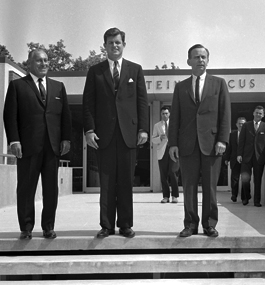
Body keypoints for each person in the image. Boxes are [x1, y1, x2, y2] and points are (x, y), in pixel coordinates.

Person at [83, 27, 148, 238]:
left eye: (118, 42)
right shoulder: (95, 71)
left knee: (126, 181)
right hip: (104, 135)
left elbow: (142, 101)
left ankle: (126, 225)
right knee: (107, 181)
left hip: (128, 134)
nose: (114, 46)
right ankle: (107, 225)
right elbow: (88, 103)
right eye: (110, 43)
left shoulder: (135, 70)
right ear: (105, 46)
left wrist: (143, 129)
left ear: (124, 45)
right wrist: (89, 130)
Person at [3, 49, 72, 240]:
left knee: (51, 190)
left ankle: (48, 227)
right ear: (29, 63)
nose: (44, 64)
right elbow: (10, 116)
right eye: (39, 61)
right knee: (26, 189)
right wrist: (14, 140)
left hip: (52, 147)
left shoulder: (58, 87)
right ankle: (26, 228)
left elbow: (65, 116)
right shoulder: (18, 86)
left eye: (46, 60)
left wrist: (66, 138)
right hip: (27, 147)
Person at [168, 44, 231, 237]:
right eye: (196, 57)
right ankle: (190, 224)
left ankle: (209, 224)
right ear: (189, 61)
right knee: (188, 186)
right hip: (187, 145)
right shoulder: (181, 87)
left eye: (203, 57)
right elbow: (175, 117)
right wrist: (173, 143)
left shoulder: (219, 84)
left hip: (212, 145)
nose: (200, 60)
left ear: (208, 60)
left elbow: (225, 114)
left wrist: (223, 140)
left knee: (210, 187)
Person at [237, 106, 265, 207]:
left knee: (257, 180)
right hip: (246, 156)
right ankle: (246, 197)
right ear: (253, 113)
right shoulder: (246, 125)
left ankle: (257, 201)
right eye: (257, 112)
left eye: (260, 113)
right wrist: (239, 154)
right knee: (245, 179)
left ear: (263, 115)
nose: (258, 115)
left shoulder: (264, 126)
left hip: (259, 158)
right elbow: (241, 141)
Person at [152, 106, 179, 203]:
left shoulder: (174, 124)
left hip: (173, 150)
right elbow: (153, 139)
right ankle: (166, 196)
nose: (165, 115)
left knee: (173, 172)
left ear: (169, 114)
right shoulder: (157, 125)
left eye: (166, 113)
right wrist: (159, 138)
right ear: (160, 114)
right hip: (162, 151)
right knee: (163, 175)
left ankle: (175, 196)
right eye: (163, 113)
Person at [225, 117, 246, 203]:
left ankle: (244, 197)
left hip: (245, 161)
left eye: (243, 123)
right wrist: (226, 158)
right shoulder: (232, 135)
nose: (241, 125)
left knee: (245, 179)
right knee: (234, 178)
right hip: (234, 160)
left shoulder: (248, 134)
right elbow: (229, 148)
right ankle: (234, 195)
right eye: (239, 123)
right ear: (236, 125)